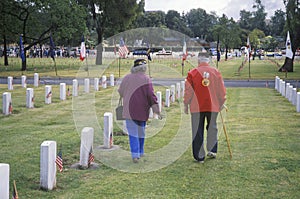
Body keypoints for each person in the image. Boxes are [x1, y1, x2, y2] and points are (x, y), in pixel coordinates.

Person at [183, 50, 226, 163]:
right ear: (209, 60)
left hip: (197, 107)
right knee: (212, 127)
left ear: (198, 60)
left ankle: (199, 156)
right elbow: (221, 91)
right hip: (212, 105)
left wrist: (186, 104)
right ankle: (212, 150)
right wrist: (221, 102)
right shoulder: (215, 72)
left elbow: (188, 91)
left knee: (197, 130)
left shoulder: (192, 73)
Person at [118, 59, 160, 163]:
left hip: (129, 110)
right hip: (142, 110)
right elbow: (151, 95)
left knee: (133, 133)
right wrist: (156, 109)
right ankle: (140, 151)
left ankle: (135, 155)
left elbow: (121, 91)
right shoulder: (146, 79)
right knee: (141, 131)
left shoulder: (127, 78)